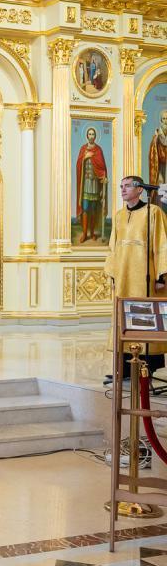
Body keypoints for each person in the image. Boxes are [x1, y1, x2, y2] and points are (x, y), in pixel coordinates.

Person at [104, 176, 167, 379]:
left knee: (144, 316)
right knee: (123, 318)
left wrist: (161, 276)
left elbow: (162, 244)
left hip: (145, 277)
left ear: (140, 189)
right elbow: (113, 246)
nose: (122, 190)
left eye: (127, 186)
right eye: (121, 186)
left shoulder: (153, 212)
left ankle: (147, 367)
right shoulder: (119, 215)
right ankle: (124, 369)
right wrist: (113, 271)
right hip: (123, 275)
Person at [75, 126, 109, 243]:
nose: (91, 136)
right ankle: (85, 234)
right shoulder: (83, 149)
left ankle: (92, 232)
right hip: (85, 184)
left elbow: (102, 167)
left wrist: (103, 176)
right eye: (89, 134)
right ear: (87, 136)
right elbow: (78, 165)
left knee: (94, 209)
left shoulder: (98, 150)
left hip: (95, 184)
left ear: (95, 136)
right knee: (85, 208)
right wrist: (85, 158)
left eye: (93, 134)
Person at [149, 110, 167, 188]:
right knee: (161, 182)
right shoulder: (157, 135)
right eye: (164, 119)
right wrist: (156, 138)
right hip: (159, 164)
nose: (165, 121)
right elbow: (153, 152)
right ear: (161, 120)